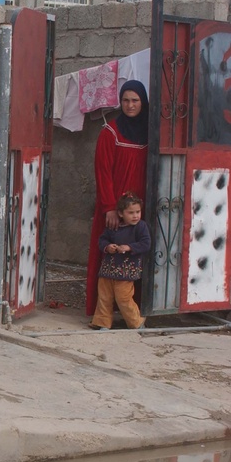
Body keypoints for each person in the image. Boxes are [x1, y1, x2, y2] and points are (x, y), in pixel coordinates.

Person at [85, 80, 149, 317]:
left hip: (140, 207)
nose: (130, 105)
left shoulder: (151, 132)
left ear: (143, 102)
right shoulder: (109, 132)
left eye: (135, 100)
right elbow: (103, 173)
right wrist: (110, 208)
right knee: (110, 255)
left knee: (136, 250)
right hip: (115, 207)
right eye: (125, 100)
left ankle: (134, 308)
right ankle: (103, 311)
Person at [91, 192, 150, 330]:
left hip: (126, 271)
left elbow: (146, 244)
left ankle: (137, 322)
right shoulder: (114, 226)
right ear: (121, 213)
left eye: (138, 212)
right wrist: (107, 247)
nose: (135, 216)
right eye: (131, 212)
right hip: (108, 269)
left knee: (124, 298)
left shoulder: (141, 226)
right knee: (104, 297)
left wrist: (129, 247)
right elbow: (102, 240)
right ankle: (102, 323)